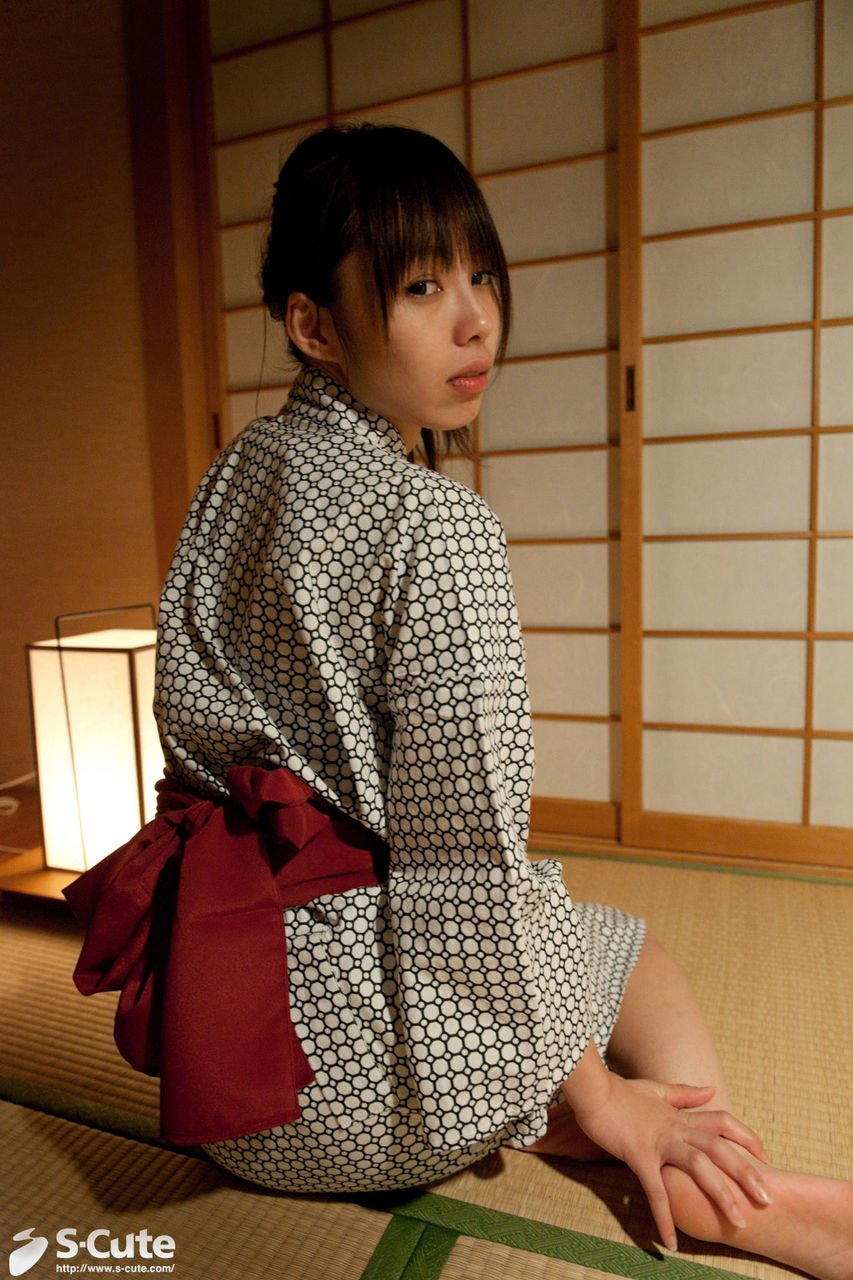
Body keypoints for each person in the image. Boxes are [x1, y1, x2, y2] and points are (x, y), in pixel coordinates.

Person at [95, 124, 853, 1277]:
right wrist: (602, 1091)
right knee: (627, 949)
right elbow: (469, 865)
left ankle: (601, 1133)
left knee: (538, 951)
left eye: (480, 276)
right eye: (420, 286)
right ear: (313, 325)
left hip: (224, 1062)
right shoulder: (435, 524)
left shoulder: (233, 476)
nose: (475, 321)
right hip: (361, 1088)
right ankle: (725, 1189)